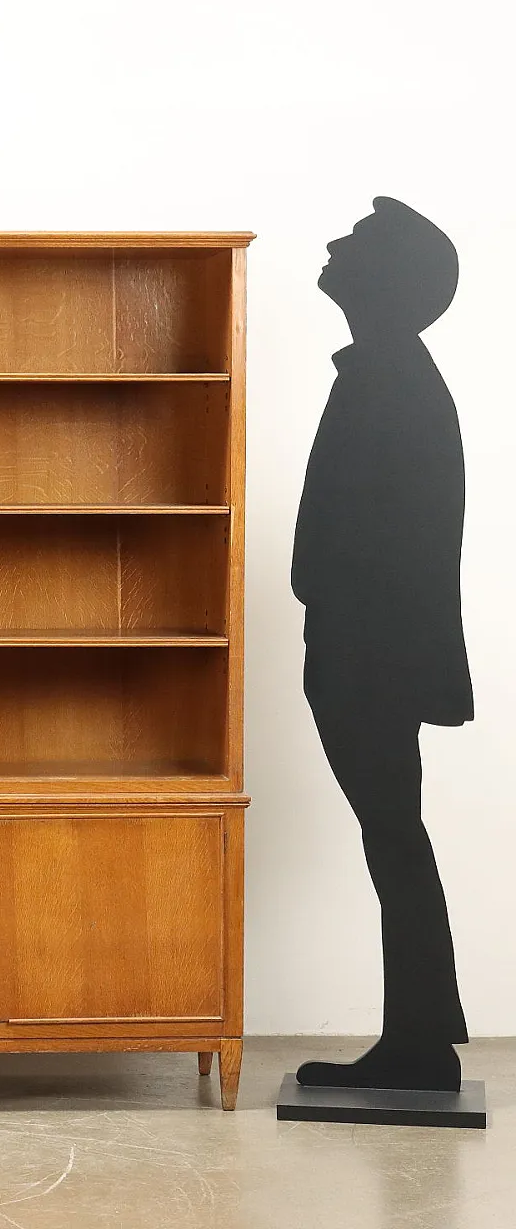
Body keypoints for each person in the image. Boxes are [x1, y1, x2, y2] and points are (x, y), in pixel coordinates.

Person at [292, 196, 472, 1092]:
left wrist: (342, 630)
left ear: (388, 279)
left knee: (394, 837)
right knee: (395, 836)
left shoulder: (392, 378)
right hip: (366, 648)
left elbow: (401, 538)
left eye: (357, 240)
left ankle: (422, 1040)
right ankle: (422, 1035)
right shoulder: (389, 372)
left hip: (370, 655)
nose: (333, 242)